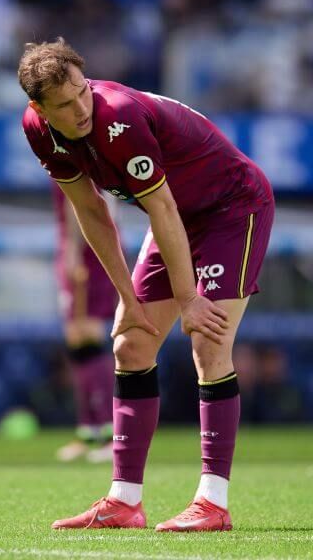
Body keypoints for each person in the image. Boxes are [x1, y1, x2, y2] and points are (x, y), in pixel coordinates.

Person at [18, 38, 274, 532]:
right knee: (131, 343)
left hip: (232, 209)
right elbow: (91, 210)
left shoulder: (120, 118)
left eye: (82, 93)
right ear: (38, 109)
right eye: (65, 106)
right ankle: (124, 501)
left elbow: (161, 208)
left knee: (207, 341)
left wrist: (188, 299)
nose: (80, 109)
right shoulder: (38, 131)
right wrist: (127, 299)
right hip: (177, 219)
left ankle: (213, 503)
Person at [51, 182, 116, 464]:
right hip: (78, 244)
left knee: (89, 335)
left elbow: (81, 200)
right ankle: (89, 431)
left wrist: (75, 248)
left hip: (90, 249)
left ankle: (111, 432)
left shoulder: (76, 149)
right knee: (77, 339)